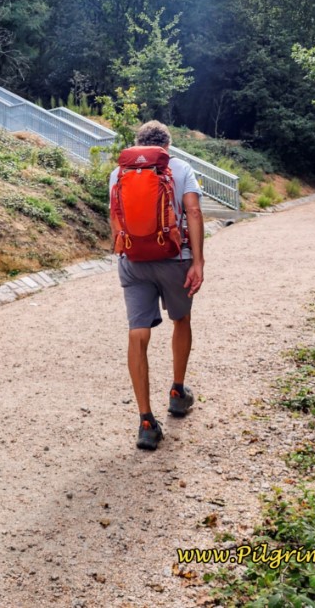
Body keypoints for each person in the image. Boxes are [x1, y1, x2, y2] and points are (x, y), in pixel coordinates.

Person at [109, 121, 205, 451]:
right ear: (168, 145)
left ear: (137, 144)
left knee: (138, 332)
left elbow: (115, 218)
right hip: (175, 259)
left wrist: (124, 251)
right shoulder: (179, 167)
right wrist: (198, 261)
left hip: (133, 262)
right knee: (182, 319)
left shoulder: (119, 172)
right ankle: (177, 392)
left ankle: (146, 422)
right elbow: (192, 211)